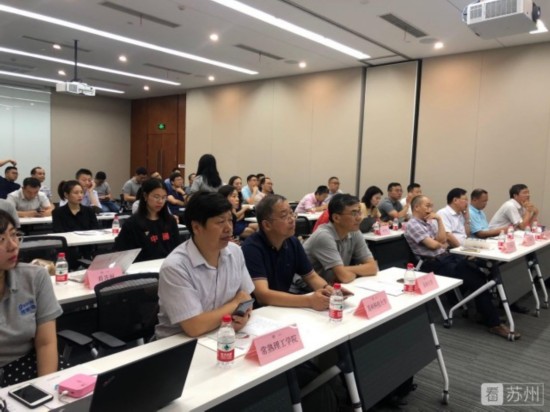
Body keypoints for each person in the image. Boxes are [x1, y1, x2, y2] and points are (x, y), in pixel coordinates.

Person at [404, 195, 520, 339]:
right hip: (434, 263)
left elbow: (443, 240)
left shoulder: (430, 222)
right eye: (427, 206)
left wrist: (439, 221)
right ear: (416, 207)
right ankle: (494, 324)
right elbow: (434, 245)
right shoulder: (413, 224)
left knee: (481, 271)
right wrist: (439, 242)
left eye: (431, 206)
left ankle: (484, 313)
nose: (431, 209)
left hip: (447, 257)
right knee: (477, 279)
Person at [155, 191, 254, 339]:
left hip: (223, 333)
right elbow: (195, 326)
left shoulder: (235, 252)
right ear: (196, 227)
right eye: (220, 222)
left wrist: (244, 316)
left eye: (230, 220)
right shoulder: (175, 267)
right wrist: (236, 303)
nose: (228, 228)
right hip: (180, 343)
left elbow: (246, 298)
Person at [0, 210, 62, 387]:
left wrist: (43, 389)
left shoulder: (35, 277)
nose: (13, 246)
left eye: (14, 235)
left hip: (25, 363)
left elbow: (45, 343)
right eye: (1, 240)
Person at [241, 195, 333, 310]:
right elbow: (263, 296)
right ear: (267, 225)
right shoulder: (251, 248)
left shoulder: (292, 242)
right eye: (284, 216)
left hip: (283, 307)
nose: (292, 219)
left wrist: (329, 291)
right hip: (258, 312)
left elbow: (311, 277)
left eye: (291, 213)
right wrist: (309, 301)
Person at [304, 194, 377, 284]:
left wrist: (343, 270)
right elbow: (344, 277)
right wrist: (355, 271)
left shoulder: (354, 231)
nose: (359, 218)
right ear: (336, 218)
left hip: (330, 286)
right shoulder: (323, 236)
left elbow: (373, 267)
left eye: (359, 212)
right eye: (354, 213)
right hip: (306, 289)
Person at [115, 178, 180, 262]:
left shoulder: (170, 221)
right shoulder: (132, 223)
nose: (160, 201)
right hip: (141, 267)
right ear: (145, 196)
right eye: (156, 197)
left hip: (167, 266)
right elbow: (121, 252)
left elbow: (177, 249)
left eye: (164, 197)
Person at [53, 180, 99, 269]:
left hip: (87, 246)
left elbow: (95, 229)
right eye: (76, 193)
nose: (80, 195)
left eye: (81, 192)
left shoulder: (89, 211)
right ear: (66, 195)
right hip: (68, 248)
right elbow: (58, 231)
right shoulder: (58, 212)